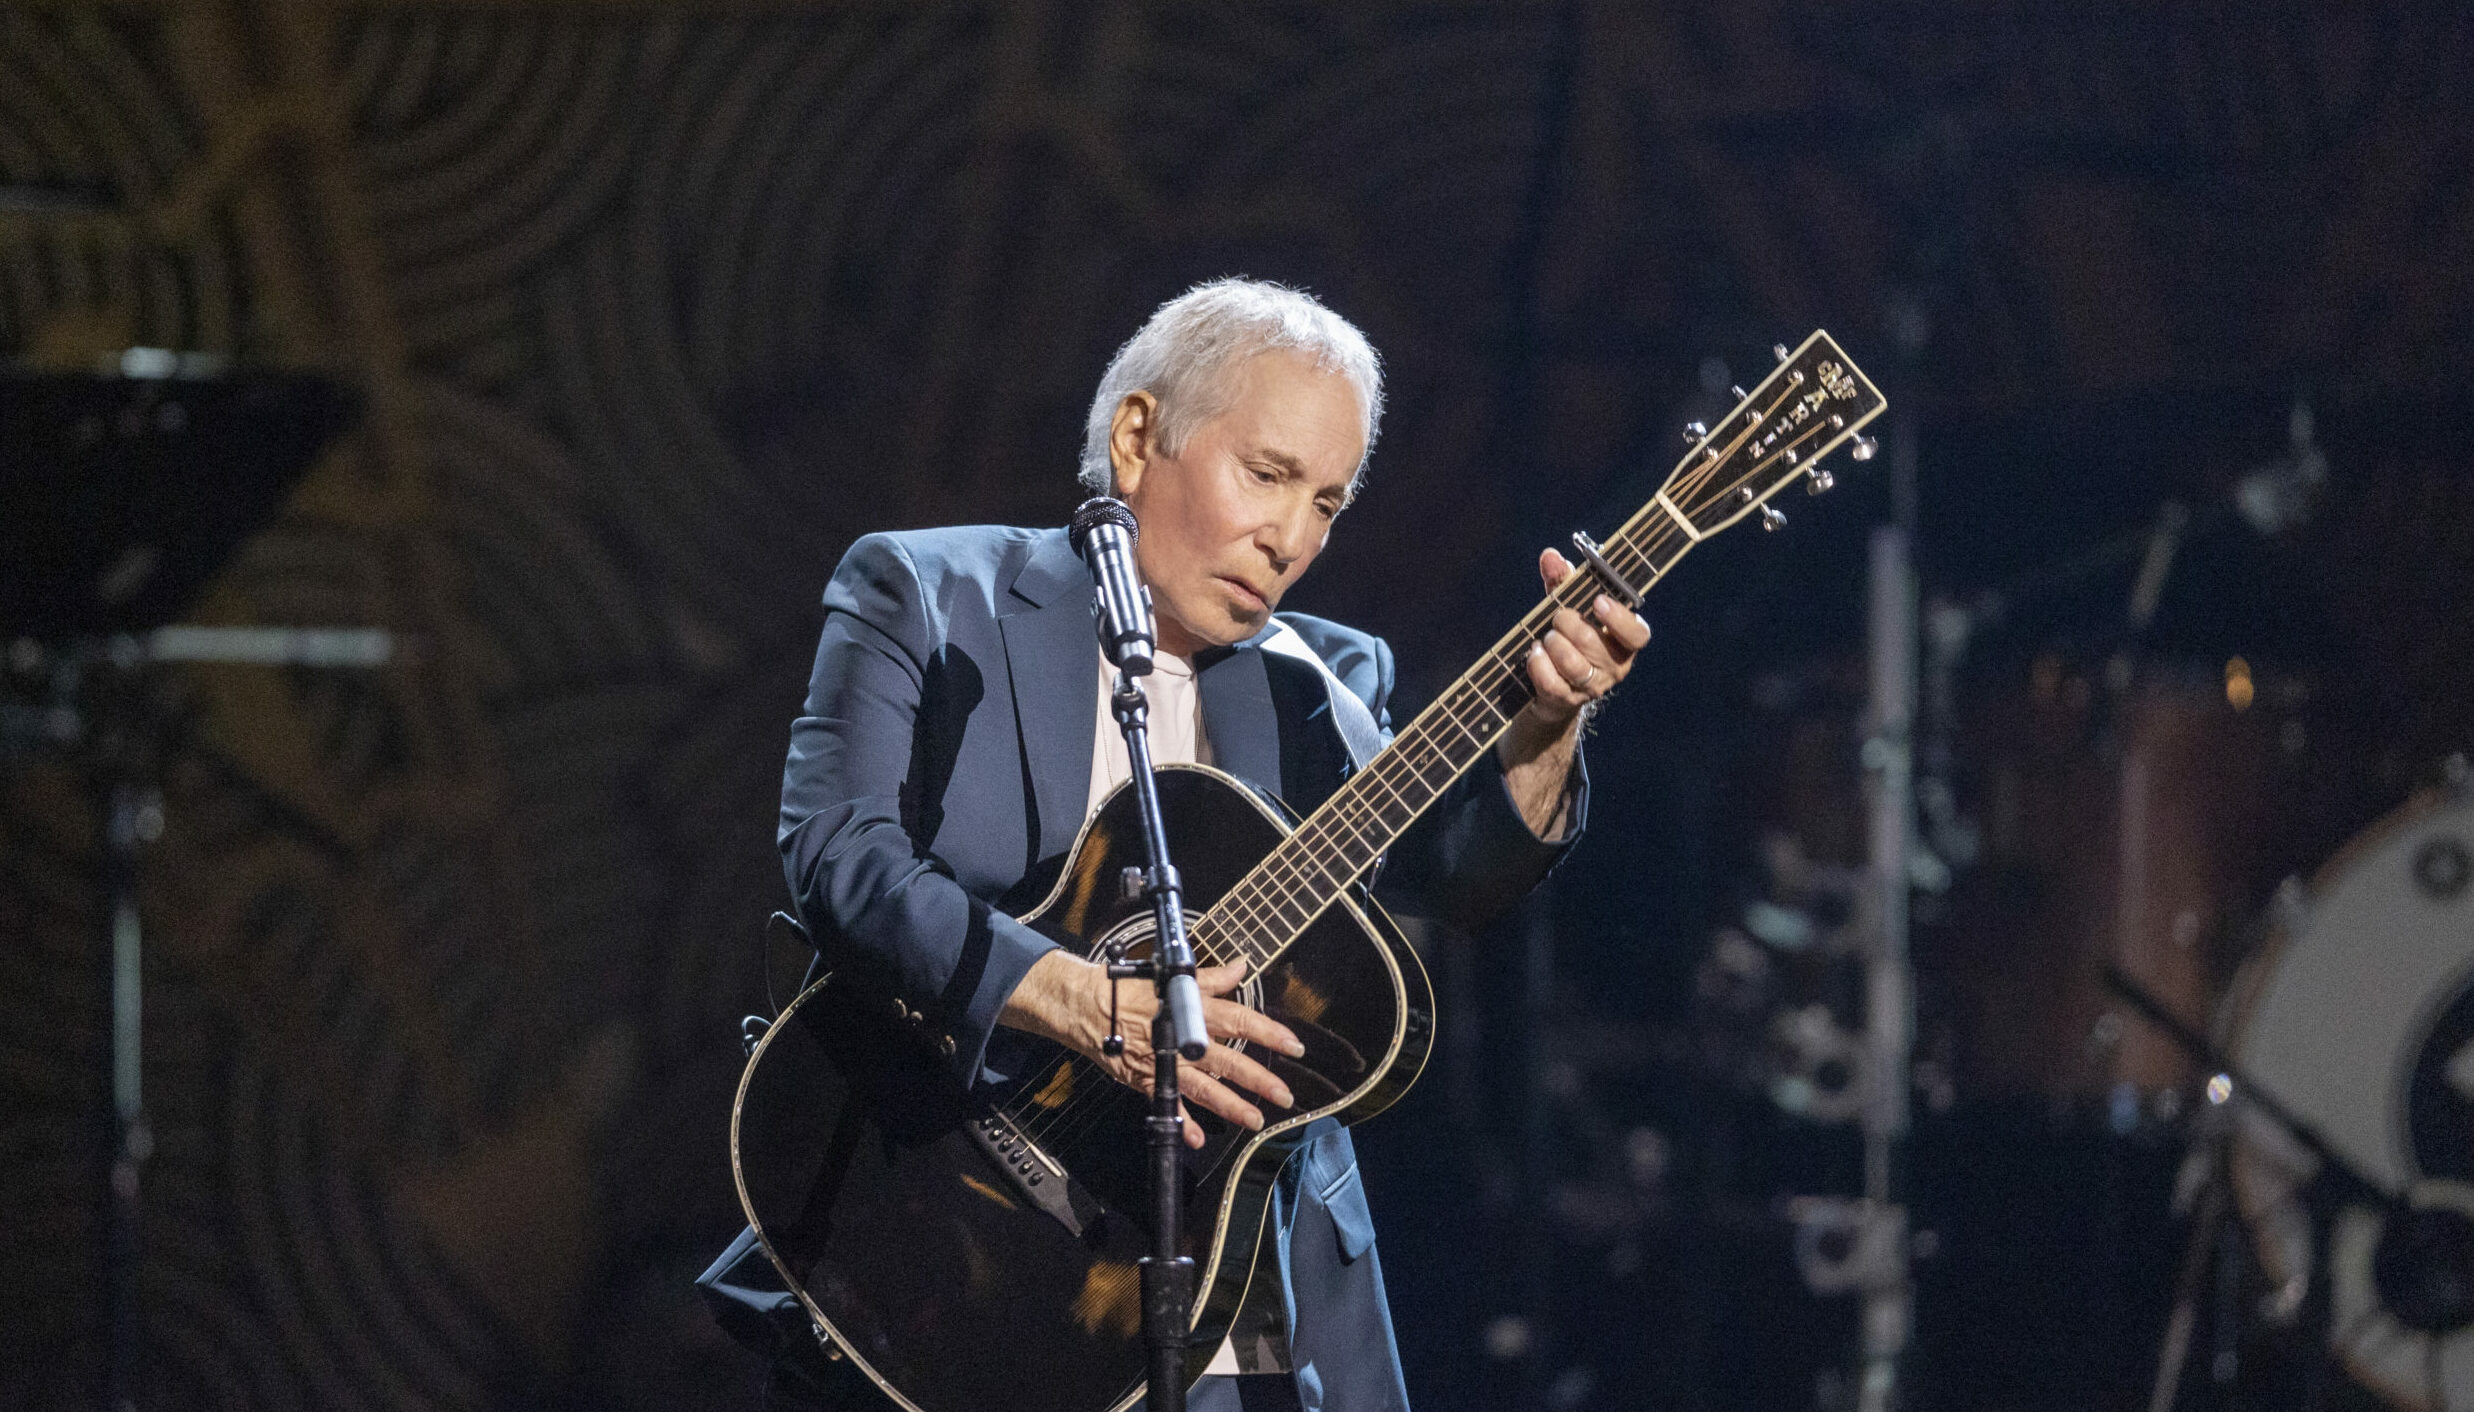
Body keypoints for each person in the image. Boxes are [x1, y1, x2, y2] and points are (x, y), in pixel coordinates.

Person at [699, 278, 1649, 1412]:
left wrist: (1546, 728)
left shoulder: (1324, 684)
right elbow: (840, 859)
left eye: (1329, 504)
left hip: (1249, 1303)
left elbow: (1457, 877)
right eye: (1267, 474)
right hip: (943, 1237)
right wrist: (1076, 997)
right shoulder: (927, 593)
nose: (1292, 538)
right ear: (1140, 436)